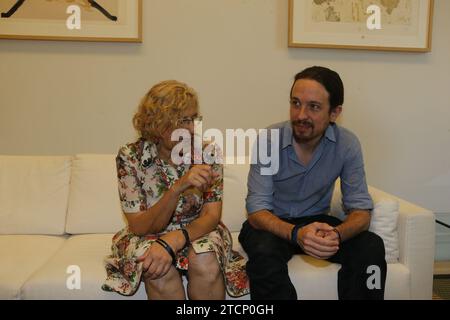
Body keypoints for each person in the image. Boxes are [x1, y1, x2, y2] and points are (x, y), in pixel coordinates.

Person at [239, 66, 387, 300]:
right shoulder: (269, 140)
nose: (300, 115)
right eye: (296, 103)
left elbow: (360, 210)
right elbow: (257, 210)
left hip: (317, 221)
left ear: (334, 112)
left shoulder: (347, 144)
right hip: (271, 224)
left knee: (371, 246)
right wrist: (297, 233)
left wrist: (337, 234)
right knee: (263, 252)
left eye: (314, 107)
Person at [102, 80, 249, 299]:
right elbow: (140, 225)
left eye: (193, 119)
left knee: (205, 261)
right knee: (156, 267)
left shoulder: (207, 152)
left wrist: (175, 239)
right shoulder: (130, 157)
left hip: (196, 230)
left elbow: (211, 215)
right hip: (148, 234)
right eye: (183, 120)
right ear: (158, 124)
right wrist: (178, 188)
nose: (191, 128)